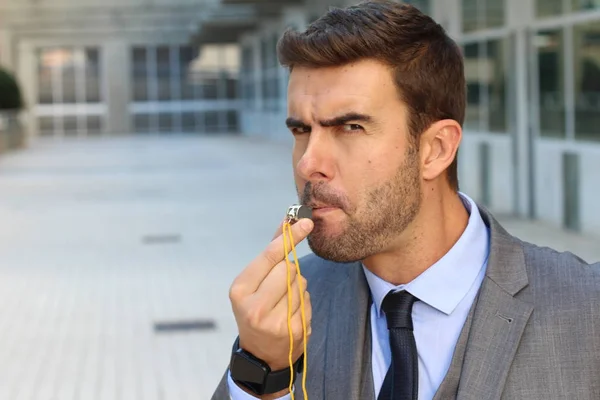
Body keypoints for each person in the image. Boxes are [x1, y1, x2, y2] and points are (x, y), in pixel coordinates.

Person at [211, 1, 600, 399]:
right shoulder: (288, 306)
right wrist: (262, 373)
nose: (309, 163)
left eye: (350, 126)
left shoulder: (587, 309)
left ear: (435, 149)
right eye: (300, 131)